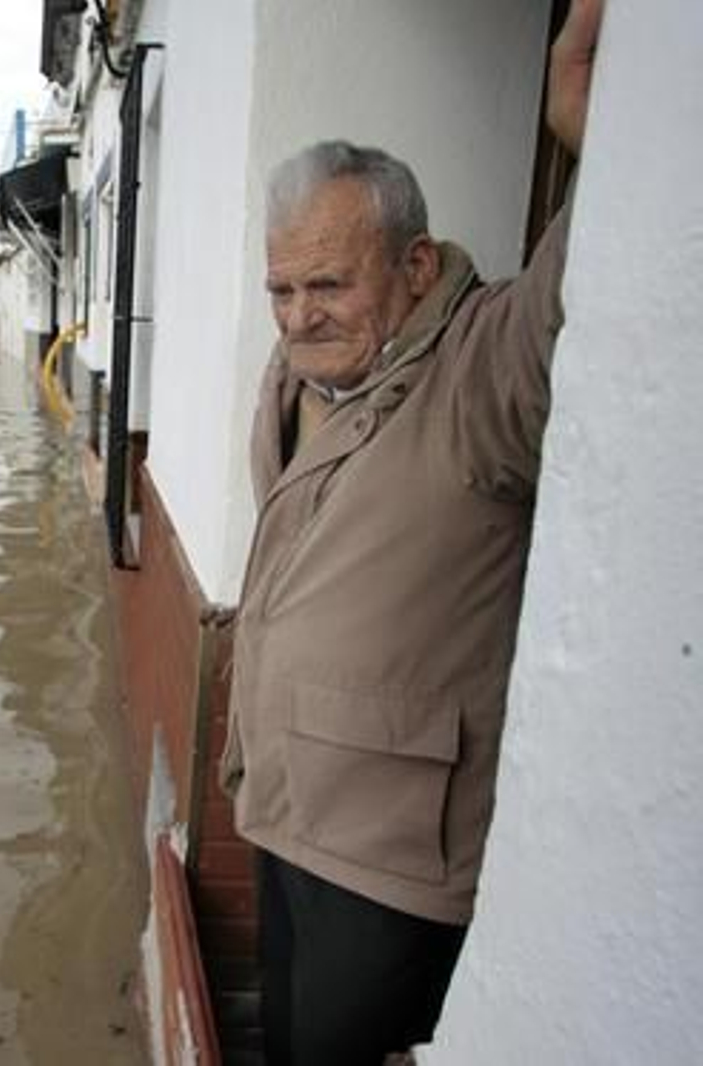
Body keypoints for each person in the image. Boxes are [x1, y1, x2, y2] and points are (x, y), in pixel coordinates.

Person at [219, 2, 603, 1062]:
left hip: (389, 850)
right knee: (286, 1034)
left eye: (329, 283)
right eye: (281, 289)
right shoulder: (309, 372)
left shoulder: (482, 367)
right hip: (282, 799)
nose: (298, 315)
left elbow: (579, 303)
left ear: (419, 265)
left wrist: (594, 146)